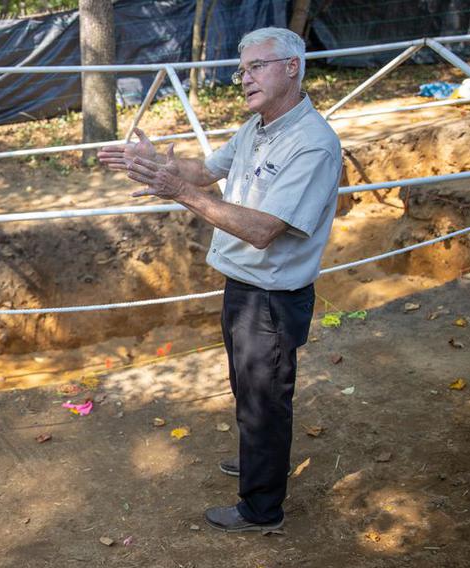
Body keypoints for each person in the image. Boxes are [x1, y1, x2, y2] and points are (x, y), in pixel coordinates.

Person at [98, 27, 342, 533]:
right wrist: (156, 166)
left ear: (292, 67)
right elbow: (205, 170)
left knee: (266, 396)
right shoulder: (258, 126)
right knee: (248, 389)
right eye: (241, 68)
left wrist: (178, 193)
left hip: (273, 296)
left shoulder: (313, 145)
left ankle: (261, 508)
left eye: (255, 66)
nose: (243, 77)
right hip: (242, 287)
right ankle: (259, 460)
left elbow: (261, 229)